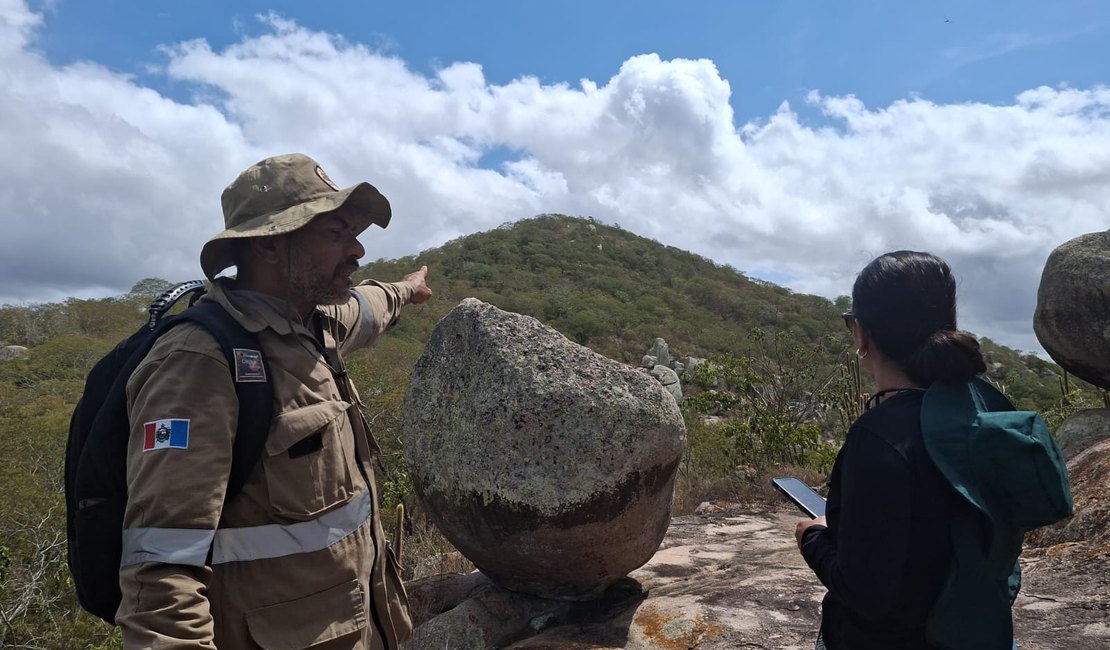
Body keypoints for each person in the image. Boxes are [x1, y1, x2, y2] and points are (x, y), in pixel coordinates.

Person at [117, 153, 431, 649]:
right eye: (334, 234)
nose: (357, 250)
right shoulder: (198, 362)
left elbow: (371, 303)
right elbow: (160, 570)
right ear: (267, 245)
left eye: (354, 233)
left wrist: (407, 290)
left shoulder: (313, 323)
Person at [794, 251, 987, 649]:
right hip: (970, 630)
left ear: (862, 335)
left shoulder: (879, 436)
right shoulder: (980, 409)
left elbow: (866, 594)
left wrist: (812, 537)